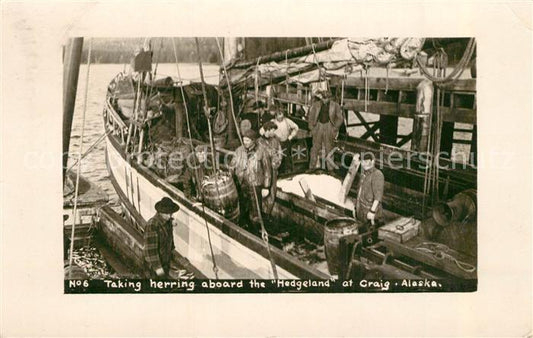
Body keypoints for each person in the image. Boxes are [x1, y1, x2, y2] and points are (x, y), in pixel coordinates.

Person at [230, 129, 272, 227]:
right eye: (244, 140)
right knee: (242, 206)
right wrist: (230, 178)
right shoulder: (239, 150)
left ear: (253, 140)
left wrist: (266, 186)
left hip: (255, 184)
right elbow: (232, 165)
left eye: (247, 140)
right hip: (241, 183)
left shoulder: (261, 151)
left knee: (255, 208)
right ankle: (244, 226)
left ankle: (255, 229)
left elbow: (267, 170)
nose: (245, 142)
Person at [143, 197, 180, 278]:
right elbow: (150, 251)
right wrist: (158, 268)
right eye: (167, 214)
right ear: (160, 212)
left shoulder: (168, 222)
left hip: (165, 262)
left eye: (171, 213)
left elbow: (170, 242)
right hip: (153, 267)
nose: (169, 216)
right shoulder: (152, 225)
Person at [308, 89, 344, 171]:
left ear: (330, 98)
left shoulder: (335, 105)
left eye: (327, 98)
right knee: (315, 148)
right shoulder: (316, 105)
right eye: (323, 97)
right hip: (318, 126)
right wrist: (312, 128)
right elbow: (311, 117)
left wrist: (335, 128)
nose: (325, 99)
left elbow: (340, 118)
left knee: (329, 148)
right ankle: (311, 167)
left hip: (329, 126)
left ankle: (330, 169)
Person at [260, 108, 299, 173]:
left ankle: (287, 172)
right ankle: (277, 172)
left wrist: (290, 137)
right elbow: (261, 131)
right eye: (278, 115)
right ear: (275, 115)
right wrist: (267, 137)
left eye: (281, 114)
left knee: (287, 157)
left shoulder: (287, 121)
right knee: (276, 157)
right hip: (275, 143)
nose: (280, 117)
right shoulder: (272, 121)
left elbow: (296, 127)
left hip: (286, 142)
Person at [257, 121, 283, 214]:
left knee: (272, 192)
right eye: (272, 130)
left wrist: (276, 163)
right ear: (267, 130)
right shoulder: (259, 142)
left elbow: (280, 153)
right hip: (262, 172)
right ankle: (260, 212)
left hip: (273, 171)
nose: (273, 132)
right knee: (262, 192)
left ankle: (267, 213)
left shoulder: (275, 141)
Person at [354, 152, 384, 227]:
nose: (364, 164)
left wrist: (372, 211)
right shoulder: (363, 174)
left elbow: (378, 197)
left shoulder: (377, 174)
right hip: (361, 210)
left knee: (370, 233)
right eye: (362, 161)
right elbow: (359, 191)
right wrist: (356, 207)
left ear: (373, 161)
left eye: (366, 161)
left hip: (370, 213)